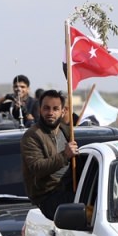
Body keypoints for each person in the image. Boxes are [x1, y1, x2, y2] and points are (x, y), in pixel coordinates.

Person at [20, 89, 78, 220]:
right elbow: (37, 168)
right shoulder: (32, 136)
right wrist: (65, 155)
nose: (50, 113)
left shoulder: (68, 132)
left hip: (70, 189)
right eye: (46, 108)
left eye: (55, 109)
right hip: (48, 197)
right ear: (40, 109)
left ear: (63, 111)